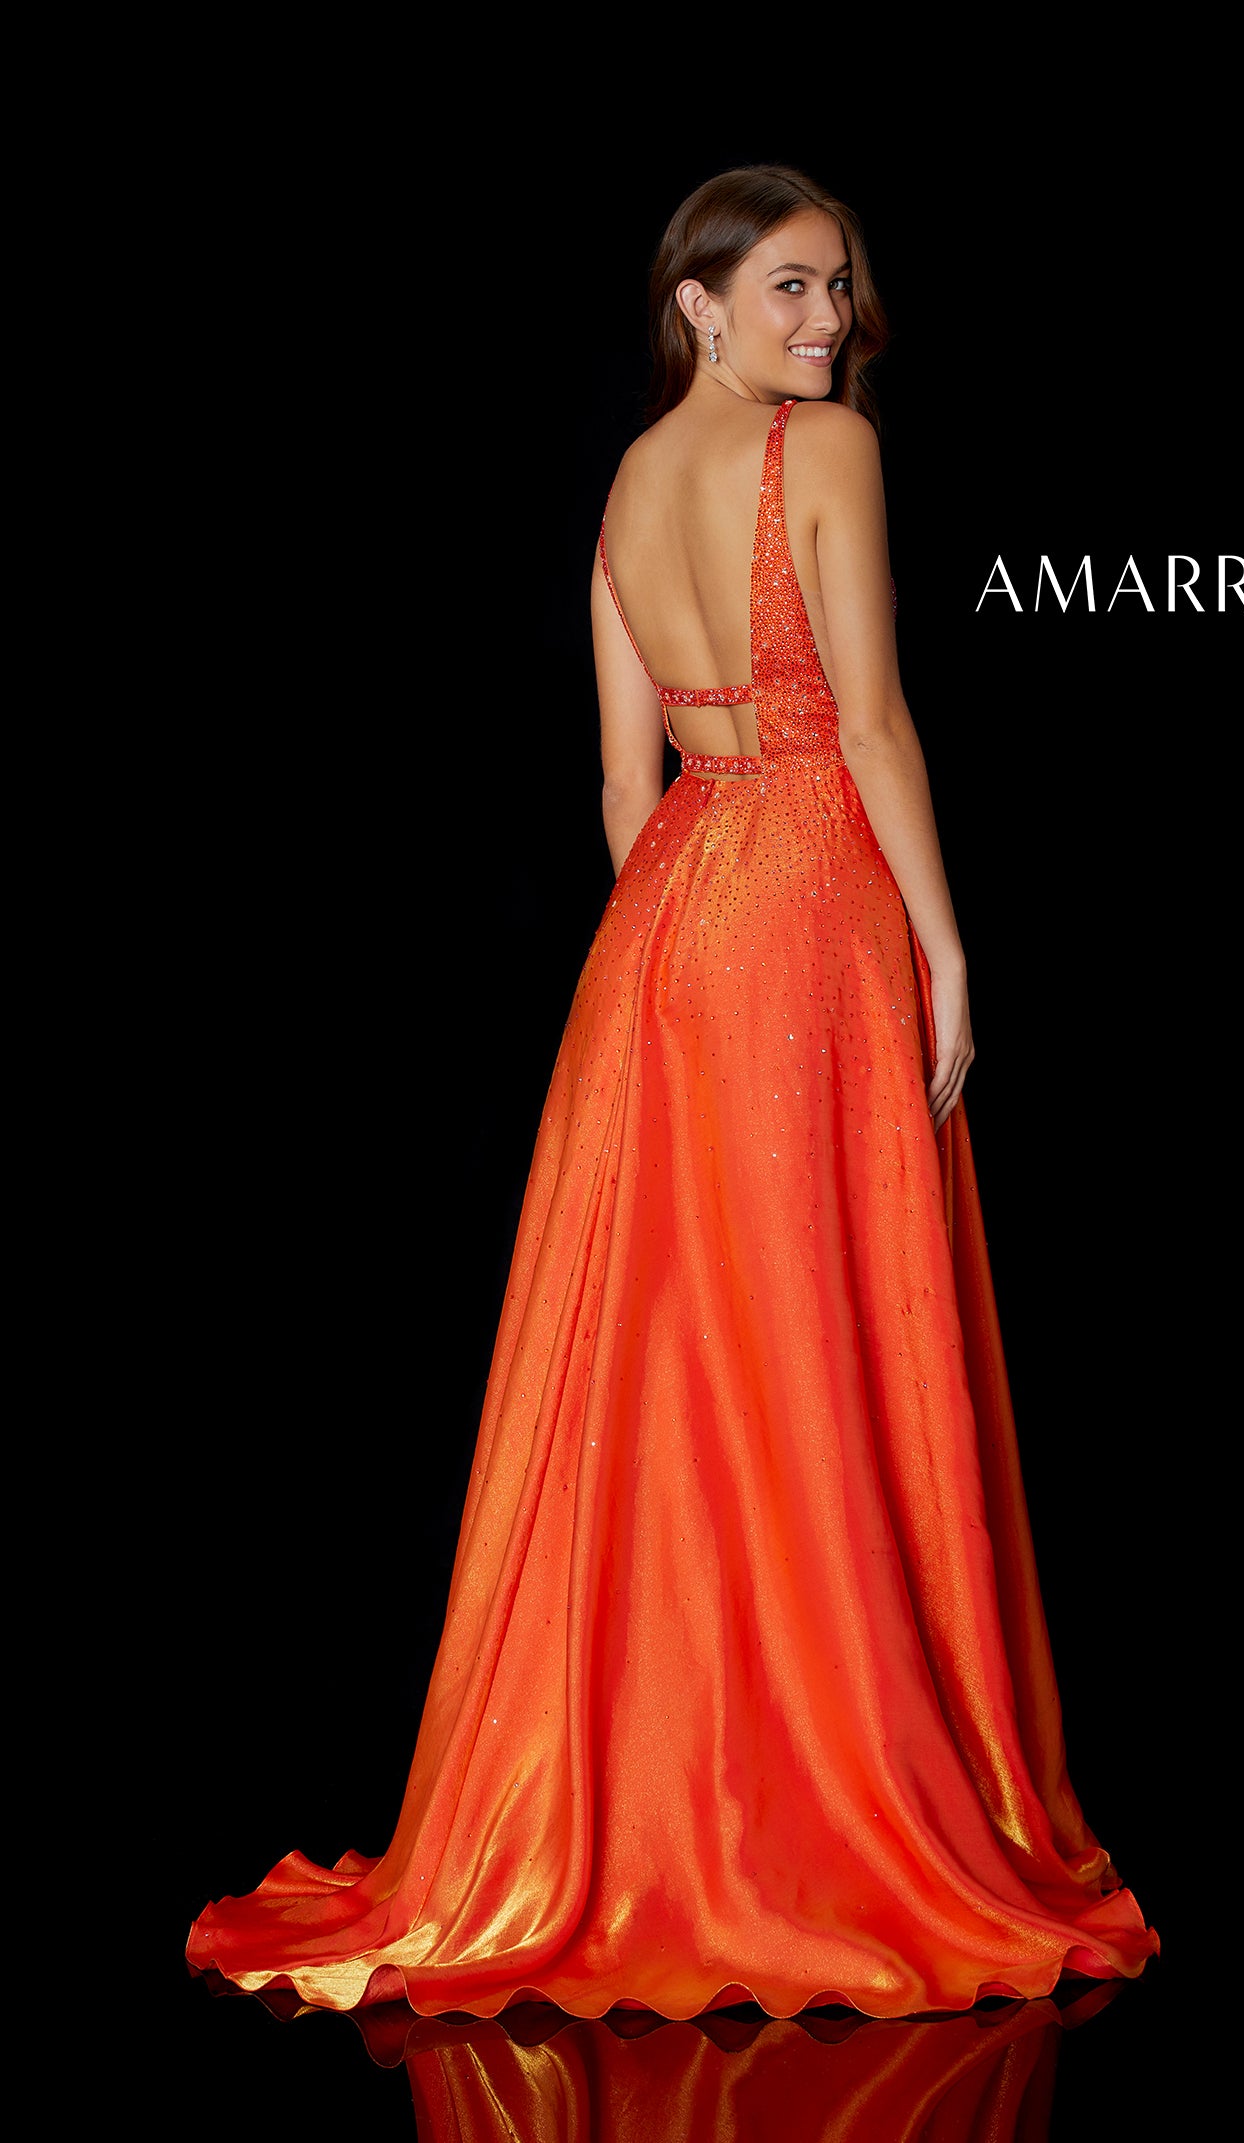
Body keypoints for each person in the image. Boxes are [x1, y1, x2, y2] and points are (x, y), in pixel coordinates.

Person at [187, 165, 1159, 2020]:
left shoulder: (629, 483)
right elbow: (867, 722)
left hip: (659, 933)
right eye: (788, 287)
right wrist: (942, 944)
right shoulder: (830, 453)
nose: (827, 321)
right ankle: (821, 1810)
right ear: (696, 303)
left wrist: (675, 949)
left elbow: (622, 792)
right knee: (814, 1340)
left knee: (674, 1357)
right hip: (806, 897)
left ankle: (657, 1801)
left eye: (838, 288)